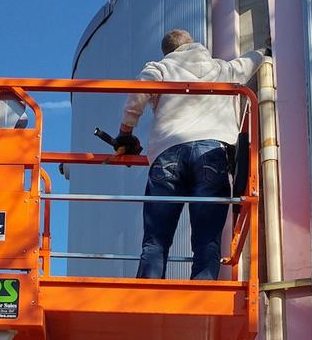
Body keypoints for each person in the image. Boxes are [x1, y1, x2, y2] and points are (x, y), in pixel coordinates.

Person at [114, 28, 268, 280]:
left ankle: (148, 291)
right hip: (211, 154)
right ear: (193, 45)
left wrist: (125, 134)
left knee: (156, 239)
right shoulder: (221, 69)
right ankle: (203, 290)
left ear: (168, 52)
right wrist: (266, 50)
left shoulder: (160, 69)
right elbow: (250, 60)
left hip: (168, 154)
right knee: (206, 237)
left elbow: (137, 92)